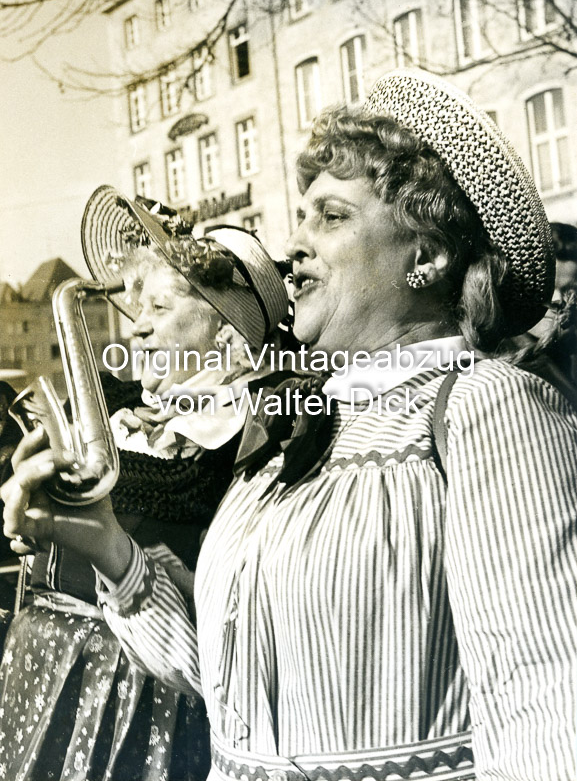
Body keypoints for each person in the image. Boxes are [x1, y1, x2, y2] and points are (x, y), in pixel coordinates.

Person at [3, 70, 577, 781]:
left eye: (331, 217)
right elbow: (220, 681)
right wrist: (106, 546)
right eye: (299, 218)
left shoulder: (486, 406)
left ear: (425, 256)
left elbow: (546, 695)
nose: (292, 244)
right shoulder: (293, 430)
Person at [0, 186, 288, 781]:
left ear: (229, 336)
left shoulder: (242, 437)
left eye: (160, 310)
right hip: (46, 658)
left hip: (133, 689)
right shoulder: (123, 413)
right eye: (139, 311)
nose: (136, 331)